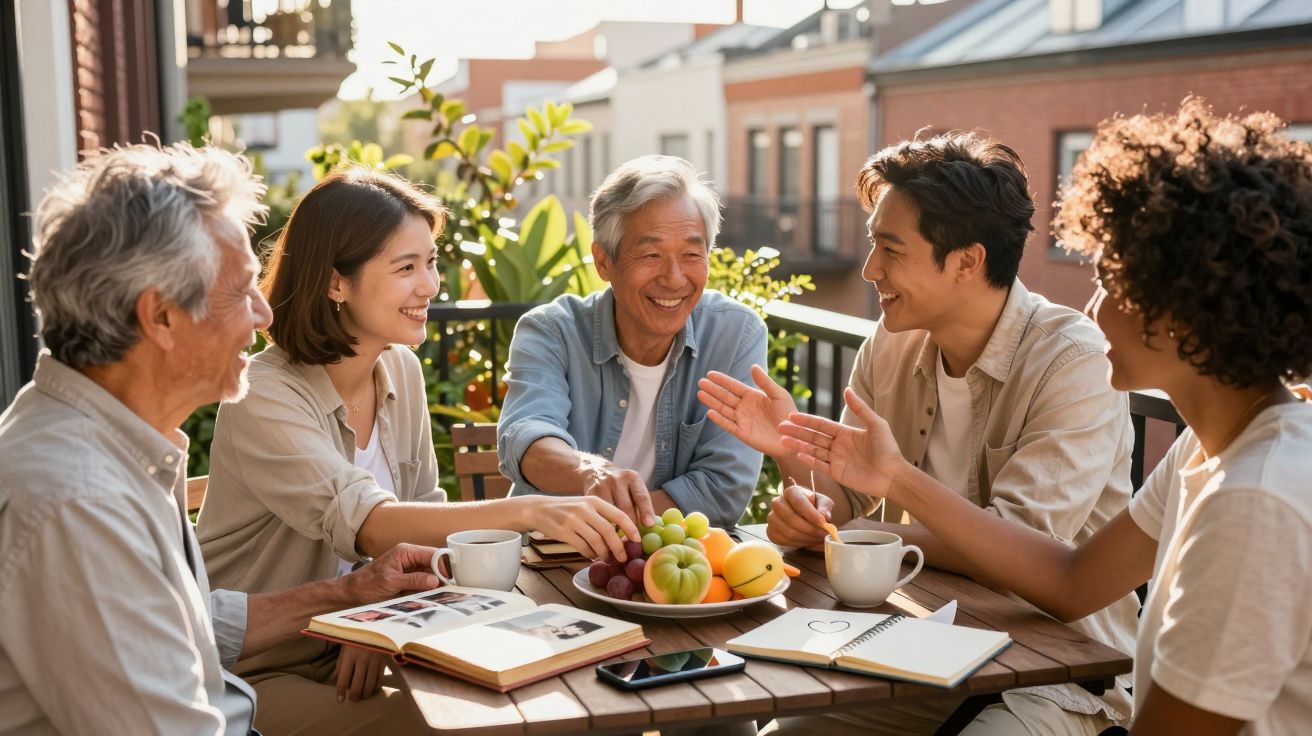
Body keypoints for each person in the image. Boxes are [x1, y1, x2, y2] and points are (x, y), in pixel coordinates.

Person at [778, 98, 1312, 735]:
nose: (1093, 306)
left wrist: (894, 484)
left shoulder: (1255, 498)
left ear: (1183, 310)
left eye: (1112, 278)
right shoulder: (1208, 447)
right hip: (947, 647)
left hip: (1058, 681)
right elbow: (1071, 579)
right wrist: (856, 467)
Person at [700, 132, 1138, 734]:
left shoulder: (1072, 361)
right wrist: (796, 465)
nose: (869, 268)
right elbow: (845, 500)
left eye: (890, 248)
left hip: (1056, 673)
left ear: (967, 261)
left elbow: (1021, 546)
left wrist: (867, 523)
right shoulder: (892, 340)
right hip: (922, 646)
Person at [0, 142, 441, 735]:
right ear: (160, 317)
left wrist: (352, 593)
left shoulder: (113, 448)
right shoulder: (79, 499)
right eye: (241, 291)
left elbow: (191, 622)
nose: (264, 315)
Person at [196, 168, 638, 731]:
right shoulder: (266, 392)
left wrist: (384, 624)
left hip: (367, 642)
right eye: (406, 267)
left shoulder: (398, 368)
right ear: (337, 283)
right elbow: (371, 524)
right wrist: (531, 508)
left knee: (552, 695)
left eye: (431, 262)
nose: (431, 284)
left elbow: (419, 524)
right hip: (258, 668)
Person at [497, 155, 767, 529]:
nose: (674, 279)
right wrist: (591, 471)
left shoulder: (735, 334)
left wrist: (608, 520)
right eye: (652, 255)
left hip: (677, 565)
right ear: (603, 262)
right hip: (553, 558)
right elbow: (526, 439)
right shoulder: (551, 331)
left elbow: (723, 488)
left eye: (692, 254)